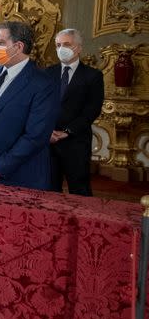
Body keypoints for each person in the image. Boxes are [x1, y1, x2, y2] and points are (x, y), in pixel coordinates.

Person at [0, 21, 59, 190]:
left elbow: (35, 136)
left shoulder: (43, 83)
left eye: (0, 42)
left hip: (19, 179)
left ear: (18, 46)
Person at [46, 29, 105, 196]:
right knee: (48, 190)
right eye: (58, 45)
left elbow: (92, 110)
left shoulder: (93, 76)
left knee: (80, 190)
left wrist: (67, 132)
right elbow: (40, 106)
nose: (61, 49)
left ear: (78, 48)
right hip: (48, 141)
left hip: (76, 142)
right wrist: (47, 130)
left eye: (66, 44)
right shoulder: (47, 73)